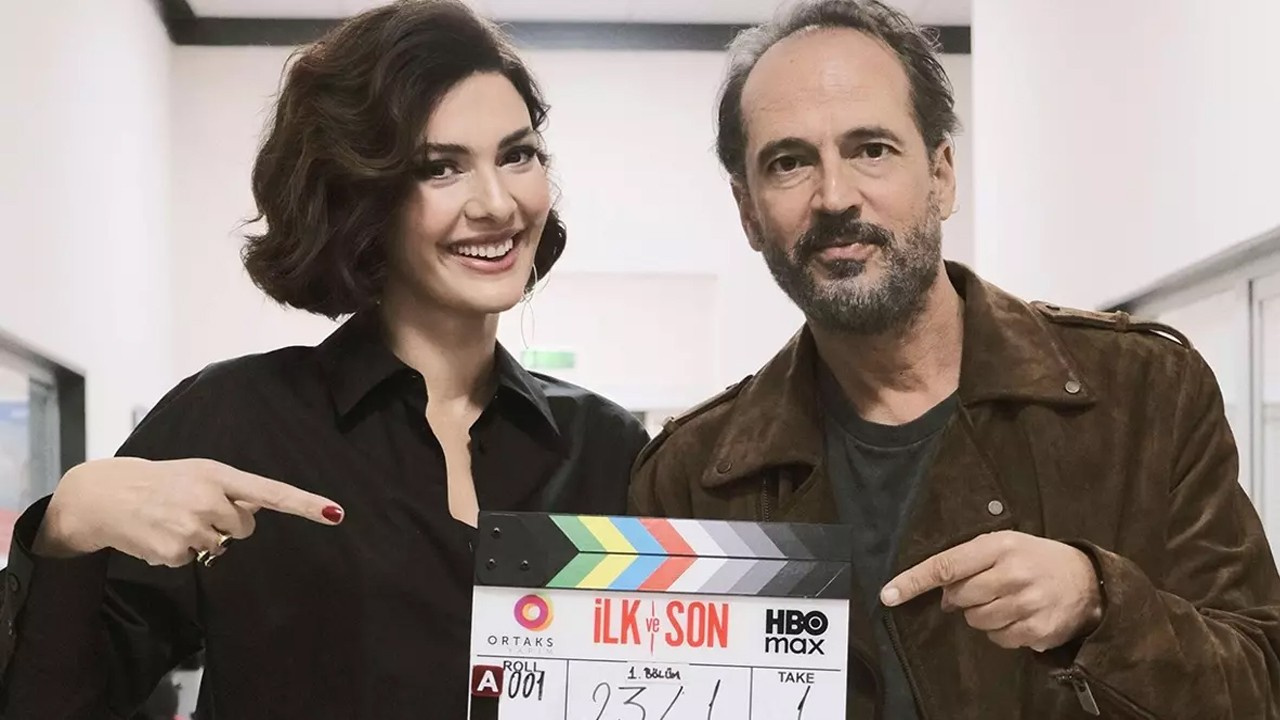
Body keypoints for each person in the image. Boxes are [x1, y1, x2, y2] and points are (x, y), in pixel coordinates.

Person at [628, 1, 1280, 718]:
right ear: (749, 211)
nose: (835, 196)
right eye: (789, 163)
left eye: (872, 149)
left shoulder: (1147, 392)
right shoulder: (691, 476)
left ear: (942, 176)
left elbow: (1261, 682)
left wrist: (1099, 603)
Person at [0, 2, 647, 718]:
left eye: (517, 155)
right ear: (360, 194)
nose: (496, 203)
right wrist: (69, 524)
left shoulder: (609, 446)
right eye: (440, 168)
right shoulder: (234, 421)